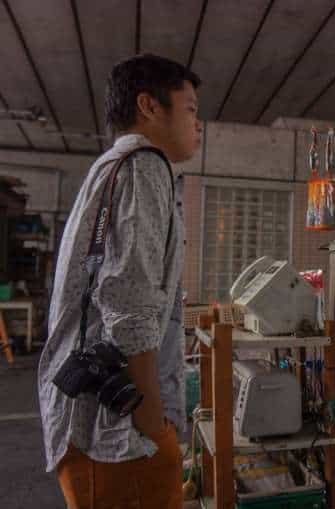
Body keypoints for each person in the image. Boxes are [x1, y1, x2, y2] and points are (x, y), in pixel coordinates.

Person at [38, 54, 202, 508]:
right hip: (118, 433)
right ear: (149, 106)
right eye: (190, 109)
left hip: (99, 421)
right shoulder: (144, 166)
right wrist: (152, 422)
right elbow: (128, 303)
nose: (198, 124)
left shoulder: (113, 166)